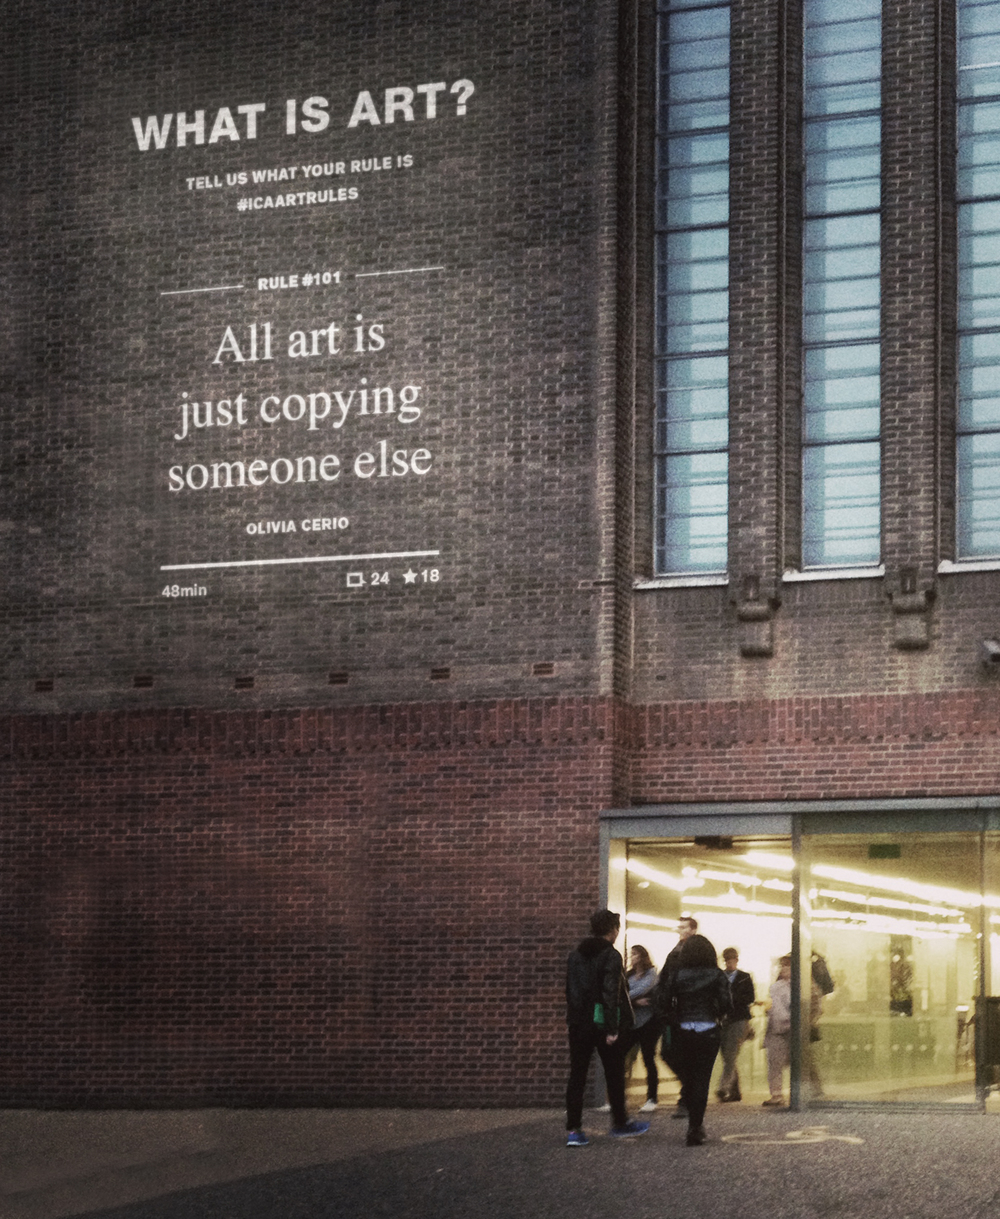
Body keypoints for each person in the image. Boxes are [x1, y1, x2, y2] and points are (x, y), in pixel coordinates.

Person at [564, 909, 651, 1147]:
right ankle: (620, 1123)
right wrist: (613, 1028)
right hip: (602, 1024)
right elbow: (610, 993)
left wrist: (575, 1018)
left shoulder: (575, 955)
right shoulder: (610, 956)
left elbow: (571, 992)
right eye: (617, 929)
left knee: (577, 1075)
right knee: (614, 1072)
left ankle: (574, 1130)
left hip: (579, 1023)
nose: (617, 933)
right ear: (612, 930)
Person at [654, 932, 732, 1146]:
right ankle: (695, 1128)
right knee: (702, 1078)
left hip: (683, 1028)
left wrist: (674, 1016)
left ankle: (689, 1097)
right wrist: (716, 1012)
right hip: (708, 1029)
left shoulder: (678, 974)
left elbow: (663, 1000)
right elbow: (727, 1004)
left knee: (690, 1075)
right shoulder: (717, 975)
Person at [660, 915, 698, 1119]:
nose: (680, 930)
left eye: (683, 927)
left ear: (692, 930)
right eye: (679, 927)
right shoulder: (675, 953)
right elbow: (665, 979)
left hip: (687, 1010)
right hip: (675, 1012)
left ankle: (686, 1097)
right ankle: (690, 1089)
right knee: (668, 1053)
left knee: (682, 1054)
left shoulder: (696, 952)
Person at [623, 945, 660, 1112]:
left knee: (648, 1059)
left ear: (642, 956)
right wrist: (635, 1001)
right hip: (632, 1023)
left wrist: (628, 996)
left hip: (649, 1023)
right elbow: (620, 993)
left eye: (635, 954)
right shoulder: (628, 975)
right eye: (631, 954)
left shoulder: (652, 974)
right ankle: (619, 1097)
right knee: (622, 1058)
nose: (632, 957)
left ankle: (652, 1098)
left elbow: (643, 989)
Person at [717, 947, 755, 1103]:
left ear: (737, 960)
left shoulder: (744, 977)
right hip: (723, 1020)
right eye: (728, 959)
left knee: (731, 1054)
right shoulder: (720, 977)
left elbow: (750, 997)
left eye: (733, 959)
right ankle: (735, 1091)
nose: (730, 962)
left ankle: (723, 1087)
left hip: (739, 1020)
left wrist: (732, 998)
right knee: (727, 1056)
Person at [763, 955, 792, 1106]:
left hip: (792, 1029)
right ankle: (776, 1094)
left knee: (795, 1063)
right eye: (783, 966)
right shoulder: (775, 987)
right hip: (776, 1028)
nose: (784, 969)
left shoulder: (802, 986)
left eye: (787, 966)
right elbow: (773, 1007)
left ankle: (798, 1093)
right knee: (774, 1063)